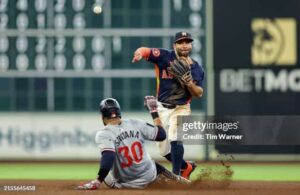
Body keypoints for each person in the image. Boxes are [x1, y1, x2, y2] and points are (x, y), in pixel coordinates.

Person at [132, 31, 205, 179]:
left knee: (175, 137)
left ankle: (176, 175)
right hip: (162, 106)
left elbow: (199, 93)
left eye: (187, 42)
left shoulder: (196, 68)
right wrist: (140, 53)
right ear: (175, 45)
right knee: (163, 149)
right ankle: (186, 167)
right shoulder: (165, 56)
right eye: (181, 42)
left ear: (191, 45)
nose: (184, 45)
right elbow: (146, 51)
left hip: (182, 107)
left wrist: (189, 83)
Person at [76, 97, 190, 190]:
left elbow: (109, 157)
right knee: (151, 162)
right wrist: (154, 111)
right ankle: (176, 179)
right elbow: (161, 135)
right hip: (149, 175)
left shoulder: (103, 134)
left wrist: (98, 181)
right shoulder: (136, 123)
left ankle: (167, 178)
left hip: (127, 184)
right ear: (119, 112)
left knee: (107, 175)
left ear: (102, 116)